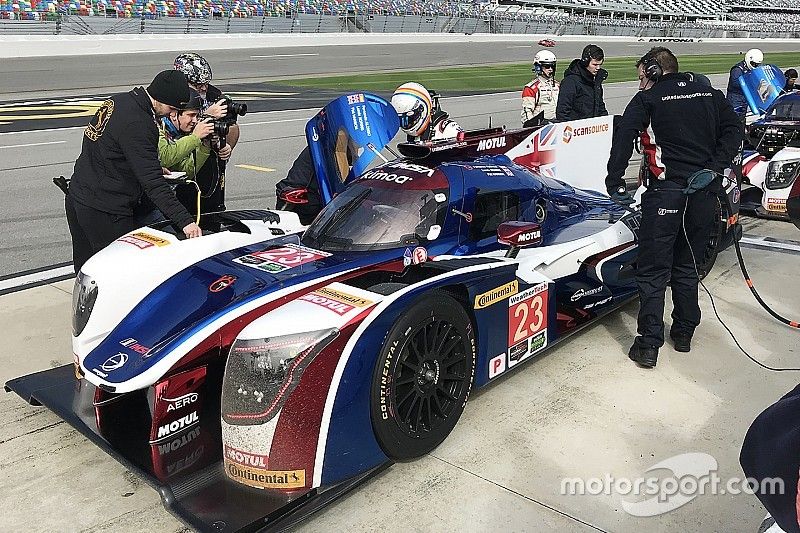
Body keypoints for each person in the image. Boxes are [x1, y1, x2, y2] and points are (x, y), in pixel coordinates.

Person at [605, 47, 741, 368]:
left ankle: (649, 344)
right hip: (703, 193)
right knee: (687, 265)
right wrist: (715, 166)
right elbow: (735, 129)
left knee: (653, 270)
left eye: (641, 77)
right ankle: (683, 333)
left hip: (665, 194)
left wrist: (615, 181)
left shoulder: (648, 99)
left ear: (654, 71)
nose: (640, 85)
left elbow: (624, 135)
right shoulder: (709, 92)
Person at [64, 70, 201, 273]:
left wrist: (145, 165)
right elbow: (153, 184)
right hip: (105, 210)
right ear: (161, 98)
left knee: (86, 272)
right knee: (119, 274)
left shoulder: (117, 102)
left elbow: (107, 150)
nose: (172, 114)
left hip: (78, 197)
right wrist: (185, 221)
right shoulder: (140, 123)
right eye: (172, 108)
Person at [173, 53, 239, 214]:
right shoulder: (171, 96)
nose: (203, 88)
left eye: (206, 83)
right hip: (180, 167)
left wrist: (227, 146)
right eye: (197, 84)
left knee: (211, 211)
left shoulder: (215, 95)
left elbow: (232, 126)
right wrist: (207, 116)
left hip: (210, 167)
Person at [390, 82, 462, 143]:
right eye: (402, 120)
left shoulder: (448, 129)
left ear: (422, 110)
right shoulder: (413, 137)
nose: (406, 124)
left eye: (409, 119)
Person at [556, 44, 608, 122]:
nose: (598, 68)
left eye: (600, 65)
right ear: (585, 62)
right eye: (595, 64)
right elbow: (562, 112)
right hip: (577, 130)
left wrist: (606, 122)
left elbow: (600, 106)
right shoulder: (570, 82)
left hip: (594, 129)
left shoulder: (596, 81)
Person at [521, 49, 560, 127]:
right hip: (540, 128)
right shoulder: (531, 88)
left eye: (552, 66)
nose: (550, 69)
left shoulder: (558, 85)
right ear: (538, 67)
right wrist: (533, 127)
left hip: (557, 127)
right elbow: (527, 113)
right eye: (547, 66)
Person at [726, 48, 763, 114]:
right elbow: (735, 83)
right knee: (735, 116)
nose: (755, 66)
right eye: (753, 64)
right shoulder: (737, 69)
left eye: (757, 64)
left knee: (742, 116)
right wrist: (751, 82)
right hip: (735, 97)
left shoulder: (752, 70)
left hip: (745, 96)